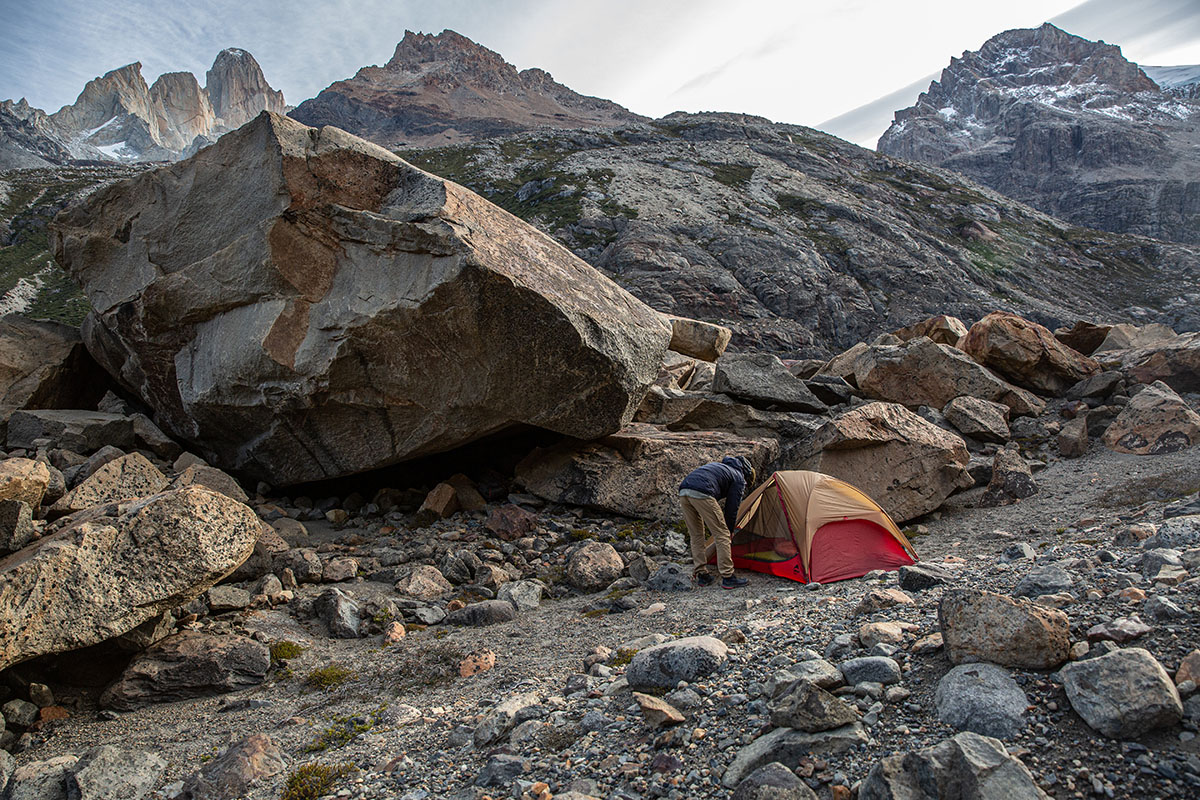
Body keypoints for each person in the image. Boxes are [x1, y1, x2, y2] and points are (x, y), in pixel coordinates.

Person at [678, 455, 755, 589]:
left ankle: (702, 574)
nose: (745, 485)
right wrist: (730, 530)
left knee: (696, 535)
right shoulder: (738, 477)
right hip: (703, 492)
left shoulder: (721, 467)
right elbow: (732, 508)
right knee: (722, 534)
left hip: (684, 491)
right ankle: (728, 576)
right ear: (746, 473)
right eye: (747, 483)